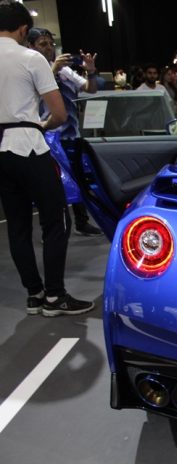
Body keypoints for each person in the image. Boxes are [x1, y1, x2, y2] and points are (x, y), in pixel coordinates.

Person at [0, 1, 94, 316]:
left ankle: (34, 294)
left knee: (17, 225)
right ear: (23, 29)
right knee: (56, 220)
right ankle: (55, 295)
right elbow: (59, 114)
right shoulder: (31, 58)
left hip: (1, 151)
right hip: (29, 146)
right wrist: (40, 125)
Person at [27, 27, 103, 237]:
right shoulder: (30, 70)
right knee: (50, 185)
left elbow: (91, 89)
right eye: (43, 44)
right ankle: (50, 228)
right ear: (30, 46)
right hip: (47, 136)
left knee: (78, 177)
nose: (49, 48)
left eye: (51, 44)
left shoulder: (64, 71)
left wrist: (91, 71)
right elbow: (32, 95)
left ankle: (81, 221)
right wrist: (52, 69)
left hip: (71, 135)